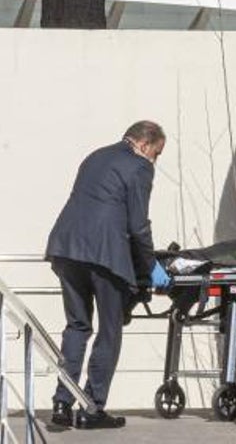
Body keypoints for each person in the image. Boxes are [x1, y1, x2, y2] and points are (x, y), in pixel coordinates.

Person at [44, 121, 172, 429]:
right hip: (105, 256)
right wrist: (151, 266)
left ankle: (63, 402)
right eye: (157, 153)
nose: (155, 160)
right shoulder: (140, 168)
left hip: (67, 247)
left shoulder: (95, 156)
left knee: (77, 326)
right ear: (144, 145)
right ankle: (92, 408)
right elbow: (137, 225)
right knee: (109, 331)